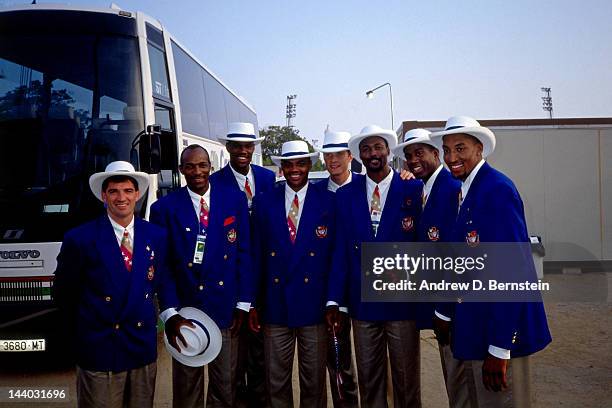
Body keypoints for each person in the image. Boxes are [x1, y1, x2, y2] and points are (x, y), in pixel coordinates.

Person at [430, 116, 552, 407]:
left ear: (479, 149)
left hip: (497, 335)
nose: (452, 157)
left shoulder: (496, 190)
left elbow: (513, 271)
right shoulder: (467, 189)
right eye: (447, 150)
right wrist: (445, 312)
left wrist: (499, 348)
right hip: (474, 328)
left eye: (461, 148)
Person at [53, 161, 185, 408]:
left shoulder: (156, 235)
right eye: (114, 191)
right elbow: (64, 294)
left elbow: (164, 280)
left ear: (137, 194)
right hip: (100, 348)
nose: (121, 198)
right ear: (104, 196)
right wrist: (84, 337)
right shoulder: (80, 239)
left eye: (127, 191)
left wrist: (171, 314)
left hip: (140, 346)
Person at [327, 125, 424, 407]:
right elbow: (341, 252)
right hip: (363, 305)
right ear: (358, 155)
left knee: (406, 381)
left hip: (401, 304)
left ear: (388, 151)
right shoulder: (345, 195)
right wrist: (337, 301)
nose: (373, 154)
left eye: (378, 148)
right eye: (366, 149)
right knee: (370, 381)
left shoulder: (413, 188)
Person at [150, 145, 253, 408]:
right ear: (181, 170)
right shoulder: (164, 208)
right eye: (190, 166)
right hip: (186, 313)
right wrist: (170, 313)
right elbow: (164, 267)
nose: (197, 172)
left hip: (225, 308)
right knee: (187, 390)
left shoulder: (234, 199)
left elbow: (244, 253)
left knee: (225, 387)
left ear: (211, 167)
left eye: (202, 165)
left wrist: (243, 303)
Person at [249, 140, 335, 408]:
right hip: (276, 307)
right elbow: (255, 256)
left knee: (314, 382)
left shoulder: (330, 201)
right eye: (288, 164)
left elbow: (336, 257)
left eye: (300, 163)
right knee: (276, 381)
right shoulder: (264, 202)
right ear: (281, 168)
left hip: (315, 307)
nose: (294, 169)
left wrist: (333, 301)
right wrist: (252, 302)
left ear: (310, 164)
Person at [392, 129, 466, 407]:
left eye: (420, 153)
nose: (413, 160)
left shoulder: (450, 188)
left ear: (436, 153)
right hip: (437, 302)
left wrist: (445, 309)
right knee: (454, 376)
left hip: (453, 305)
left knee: (459, 377)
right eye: (409, 156)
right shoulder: (424, 188)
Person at [210, 122, 275, 407]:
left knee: (261, 354)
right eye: (236, 146)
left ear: (254, 149)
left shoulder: (267, 177)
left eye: (248, 146)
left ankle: (260, 400)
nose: (242, 151)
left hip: (263, 274)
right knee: (232, 357)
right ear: (228, 148)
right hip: (232, 275)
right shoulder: (214, 182)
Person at [315, 128, 359, 407]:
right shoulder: (316, 192)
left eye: (338, 155)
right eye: (328, 155)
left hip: (366, 284)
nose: (333, 160)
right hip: (330, 289)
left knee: (375, 362)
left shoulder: (368, 185)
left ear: (349, 157)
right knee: (339, 359)